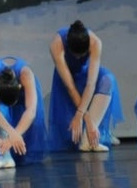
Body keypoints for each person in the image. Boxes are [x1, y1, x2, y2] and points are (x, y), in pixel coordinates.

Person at [47, 19, 124, 153]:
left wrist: (82, 115)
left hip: (87, 75)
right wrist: (84, 117)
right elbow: (70, 86)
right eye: (74, 55)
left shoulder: (95, 42)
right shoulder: (56, 44)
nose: (77, 58)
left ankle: (94, 137)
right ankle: (89, 135)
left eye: (81, 55)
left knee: (108, 79)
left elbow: (91, 84)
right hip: (67, 78)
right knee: (70, 131)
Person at [0, 57, 47, 170]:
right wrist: (12, 133)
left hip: (23, 94)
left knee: (27, 123)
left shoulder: (26, 75)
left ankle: (16, 153)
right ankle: (5, 156)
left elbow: (31, 111)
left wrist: (15, 135)